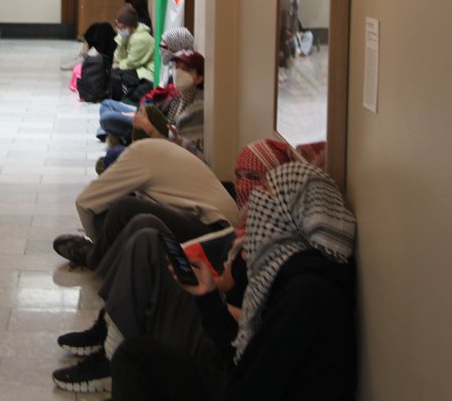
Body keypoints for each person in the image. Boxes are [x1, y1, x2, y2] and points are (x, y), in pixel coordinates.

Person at [51, 139, 294, 392]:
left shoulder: (286, 256)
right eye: (239, 177)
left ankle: (111, 355)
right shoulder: (254, 231)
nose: (244, 186)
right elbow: (232, 280)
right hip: (214, 313)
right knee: (144, 229)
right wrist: (215, 284)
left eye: (255, 178)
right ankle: (108, 329)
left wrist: (215, 299)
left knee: (141, 233)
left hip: (221, 348)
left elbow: (260, 327)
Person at [108, 161, 357, 400]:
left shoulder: (306, 295)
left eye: (268, 193)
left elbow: (252, 387)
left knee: (134, 359)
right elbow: (243, 358)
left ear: (290, 216)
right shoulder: (297, 277)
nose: (258, 198)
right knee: (139, 357)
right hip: (244, 383)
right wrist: (208, 297)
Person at [52, 136, 239, 270]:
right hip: (222, 231)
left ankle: (93, 258)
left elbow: (85, 203)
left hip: (216, 235)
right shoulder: (156, 151)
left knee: (123, 208)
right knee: (128, 213)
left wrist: (97, 243)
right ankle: (110, 256)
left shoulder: (137, 156)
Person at [97, 27, 195, 143]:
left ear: (176, 46)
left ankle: (121, 134)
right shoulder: (170, 68)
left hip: (152, 123)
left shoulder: (183, 77)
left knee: (107, 118)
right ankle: (116, 133)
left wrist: (140, 117)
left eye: (164, 47)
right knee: (106, 104)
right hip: (146, 111)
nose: (161, 50)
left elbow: (166, 112)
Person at [110, 5, 156, 103]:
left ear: (130, 26)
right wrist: (121, 40)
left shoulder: (140, 38)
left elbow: (131, 63)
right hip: (138, 68)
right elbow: (117, 57)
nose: (119, 30)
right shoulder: (128, 35)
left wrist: (118, 65)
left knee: (118, 74)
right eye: (118, 27)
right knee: (114, 73)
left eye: (122, 28)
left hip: (148, 74)